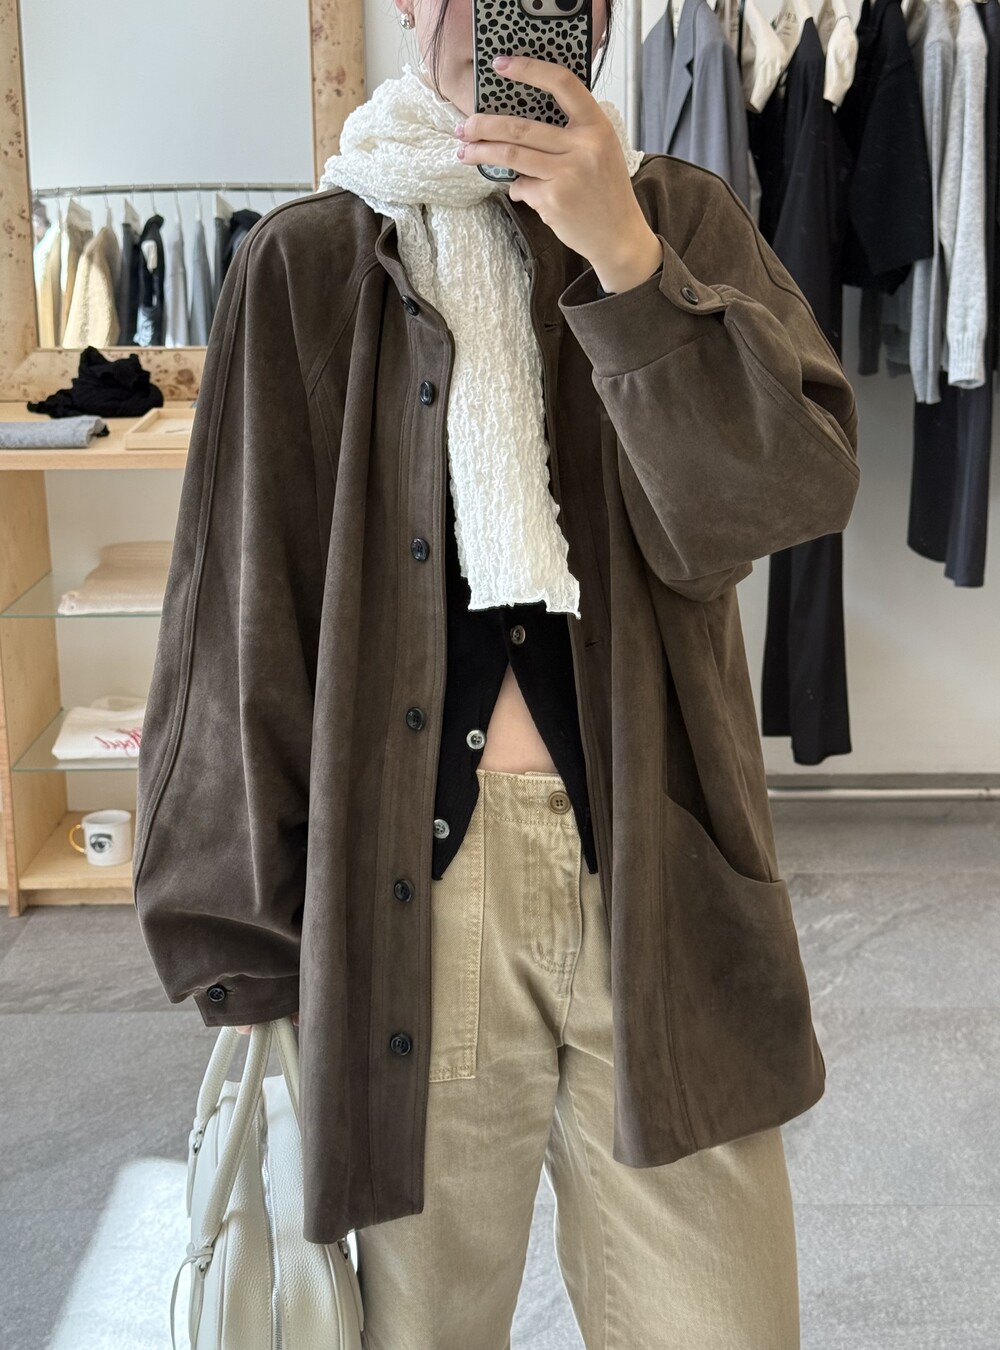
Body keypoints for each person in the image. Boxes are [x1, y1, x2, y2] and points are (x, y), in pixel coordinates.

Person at [133, 0, 859, 1344]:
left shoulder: (679, 222)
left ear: (593, 14)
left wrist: (625, 261)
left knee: (725, 1317)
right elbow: (236, 620)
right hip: (410, 912)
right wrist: (243, 948)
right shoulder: (309, 261)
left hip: (660, 885)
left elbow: (787, 497)